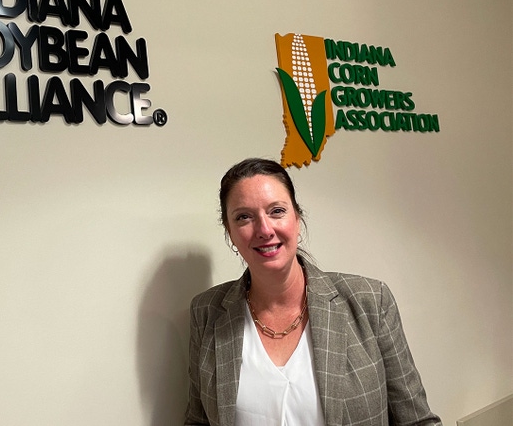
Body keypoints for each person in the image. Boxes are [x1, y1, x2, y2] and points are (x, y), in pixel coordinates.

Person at [184, 158, 441, 426]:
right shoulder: (207, 312)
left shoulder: (369, 301)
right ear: (230, 233)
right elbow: (198, 420)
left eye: (277, 211)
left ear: (297, 218)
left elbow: (417, 421)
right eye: (244, 217)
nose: (264, 229)